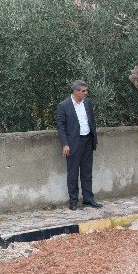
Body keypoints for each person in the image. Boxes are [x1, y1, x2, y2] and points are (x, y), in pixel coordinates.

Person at [56, 80, 103, 210]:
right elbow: (61, 127)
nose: (86, 93)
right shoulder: (64, 105)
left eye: (86, 90)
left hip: (88, 140)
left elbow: (91, 121)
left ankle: (88, 199)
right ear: (75, 91)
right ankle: (73, 201)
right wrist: (65, 144)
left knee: (87, 172)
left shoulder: (87, 103)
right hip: (73, 144)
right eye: (83, 91)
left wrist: (94, 138)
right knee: (73, 173)